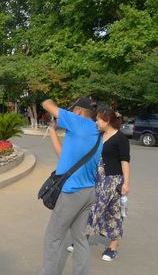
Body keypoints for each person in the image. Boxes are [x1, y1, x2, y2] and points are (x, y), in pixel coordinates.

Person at [41, 97, 103, 275]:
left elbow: (46, 104)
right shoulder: (94, 132)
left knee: (53, 237)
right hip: (88, 193)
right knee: (80, 238)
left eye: (70, 111)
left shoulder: (78, 123)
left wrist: (50, 101)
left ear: (78, 112)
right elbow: (63, 157)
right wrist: (53, 131)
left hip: (72, 193)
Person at [86, 108, 131, 261]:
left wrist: (126, 183)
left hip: (113, 181)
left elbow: (125, 161)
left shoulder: (120, 138)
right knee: (89, 207)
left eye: (99, 119)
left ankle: (113, 247)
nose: (96, 122)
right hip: (96, 179)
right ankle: (81, 239)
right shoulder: (99, 136)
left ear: (107, 121)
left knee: (113, 212)